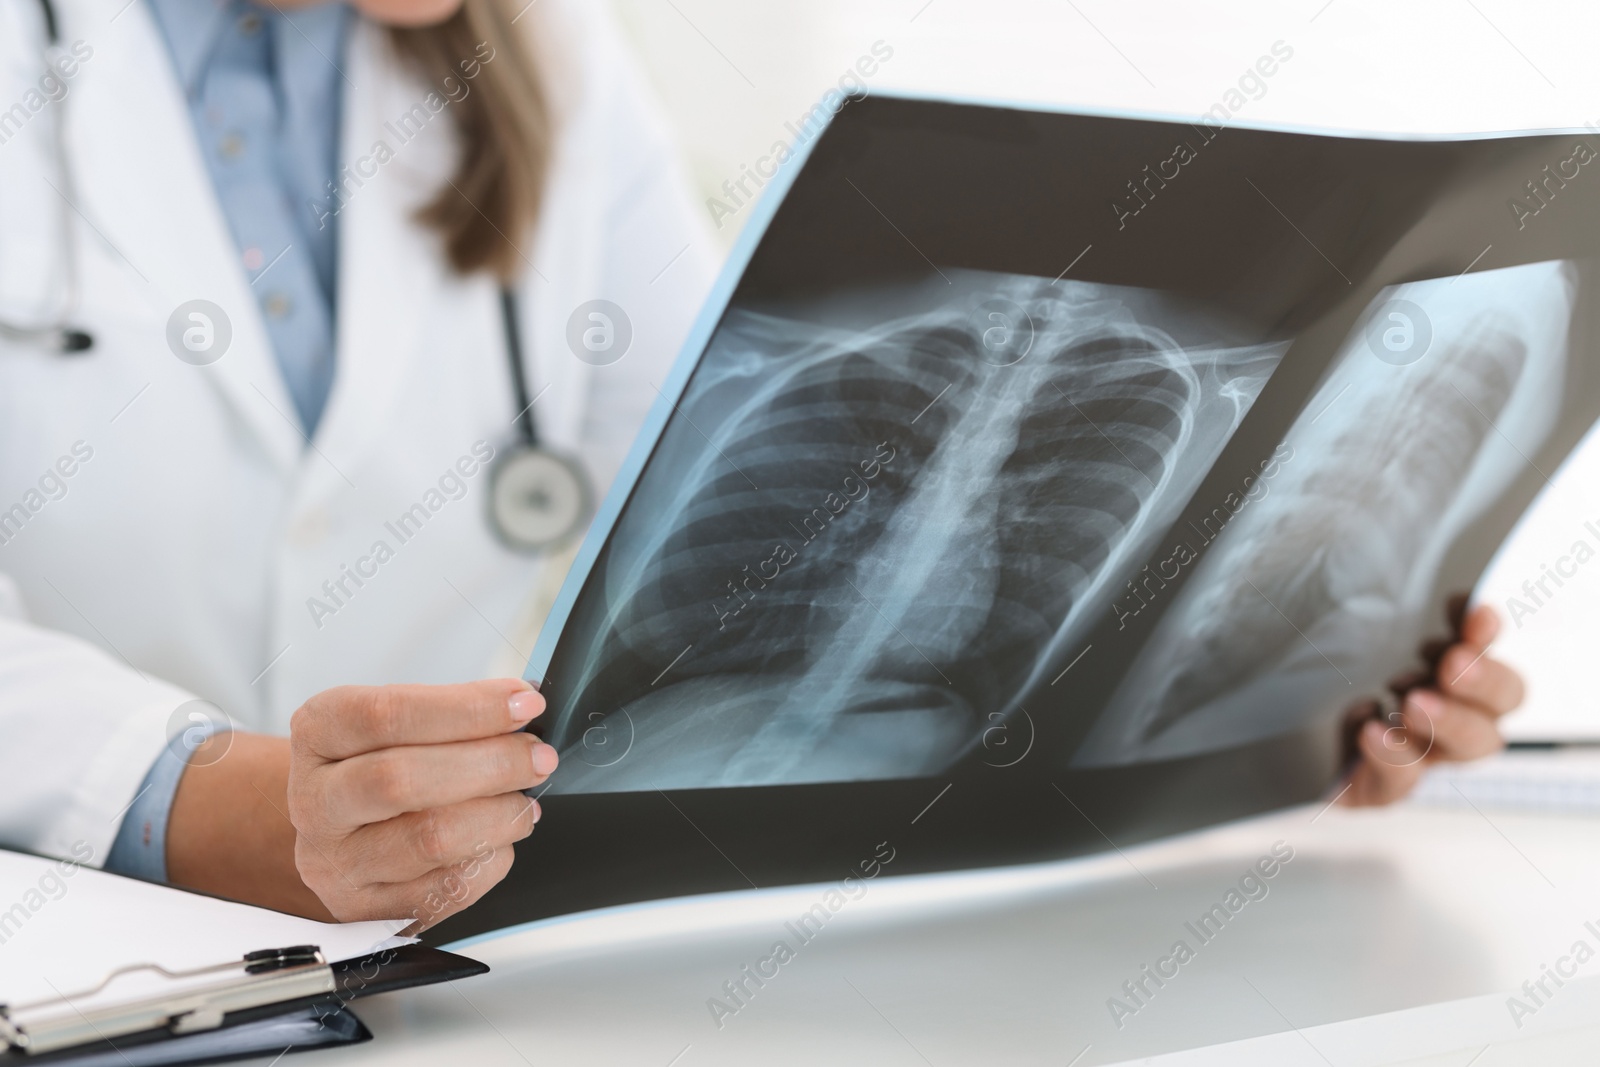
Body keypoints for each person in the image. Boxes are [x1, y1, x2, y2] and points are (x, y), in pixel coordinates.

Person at [0, 0, 1525, 931]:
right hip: (80, 954)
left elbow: (719, 501)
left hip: (428, 965)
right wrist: (218, 803)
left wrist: (1293, 693)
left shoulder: (532, 54)